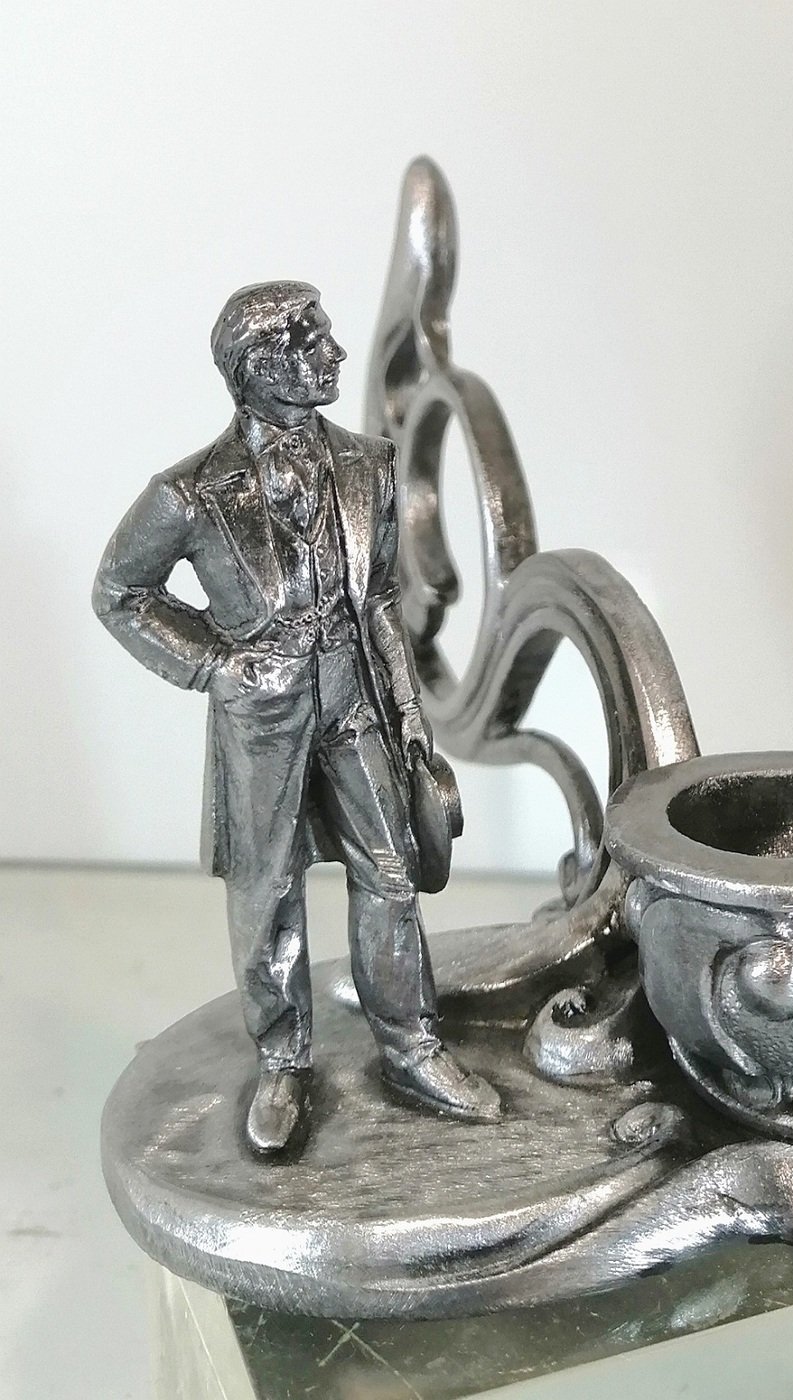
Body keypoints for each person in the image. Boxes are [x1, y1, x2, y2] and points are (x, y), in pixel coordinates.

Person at [94, 281, 501, 1152]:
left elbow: (381, 600)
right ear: (259, 365)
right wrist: (214, 662)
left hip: (356, 703)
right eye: (312, 341)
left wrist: (409, 710)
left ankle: (412, 1047)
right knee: (267, 888)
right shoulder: (189, 493)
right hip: (262, 720)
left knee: (391, 872)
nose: (335, 354)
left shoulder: (369, 465)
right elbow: (121, 593)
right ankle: (283, 1063)